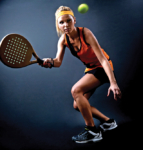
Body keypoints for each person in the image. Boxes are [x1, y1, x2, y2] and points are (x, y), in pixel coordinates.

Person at [39, 6, 122, 143]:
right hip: (91, 69)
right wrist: (50, 62)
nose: (66, 25)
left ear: (74, 20)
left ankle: (92, 131)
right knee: (78, 105)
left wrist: (113, 83)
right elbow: (58, 62)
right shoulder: (63, 41)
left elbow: (102, 59)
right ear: (58, 24)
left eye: (69, 21)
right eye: (61, 22)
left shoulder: (86, 33)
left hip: (103, 67)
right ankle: (109, 122)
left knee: (76, 90)